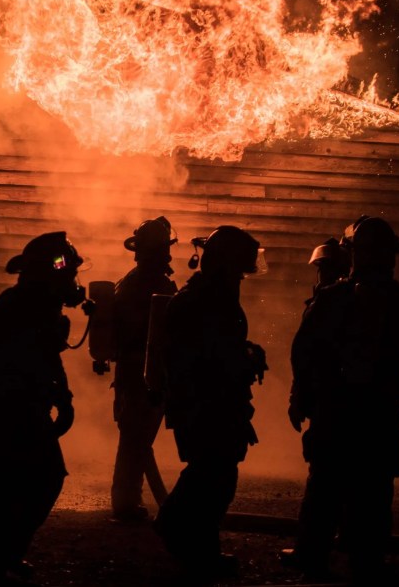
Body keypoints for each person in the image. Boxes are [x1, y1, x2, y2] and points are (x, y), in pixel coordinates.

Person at [283, 215, 399, 581]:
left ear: (353, 255)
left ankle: (312, 555)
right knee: (373, 486)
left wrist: (300, 398)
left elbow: (304, 353)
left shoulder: (331, 299)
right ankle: (365, 558)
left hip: (336, 411)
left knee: (325, 484)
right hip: (379, 412)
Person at [0, 231, 86, 587]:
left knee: (37, 481)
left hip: (24, 411)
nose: (72, 283)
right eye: (66, 274)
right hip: (9, 412)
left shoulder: (39, 307)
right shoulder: (18, 308)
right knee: (6, 487)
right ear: (48, 274)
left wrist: (63, 398)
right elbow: (19, 363)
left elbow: (49, 360)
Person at [153, 225, 268, 581]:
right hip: (204, 404)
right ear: (225, 264)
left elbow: (221, 345)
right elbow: (205, 356)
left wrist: (246, 351)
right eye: (238, 269)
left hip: (214, 402)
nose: (241, 277)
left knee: (214, 474)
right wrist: (240, 360)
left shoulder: (211, 296)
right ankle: (180, 533)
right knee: (212, 475)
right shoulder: (201, 301)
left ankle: (196, 547)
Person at [108, 217, 178, 522]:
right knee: (136, 439)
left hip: (138, 372)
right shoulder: (147, 284)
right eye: (163, 249)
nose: (168, 256)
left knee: (137, 439)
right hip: (142, 373)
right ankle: (125, 503)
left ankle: (128, 500)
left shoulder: (135, 280)